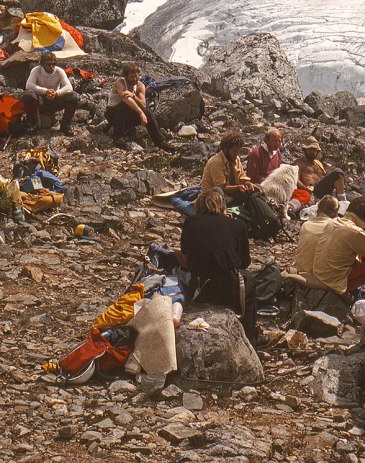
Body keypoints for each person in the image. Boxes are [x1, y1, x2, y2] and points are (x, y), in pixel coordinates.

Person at [180, 189, 256, 344]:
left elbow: (185, 252)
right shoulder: (237, 226)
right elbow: (244, 262)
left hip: (199, 287)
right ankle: (251, 336)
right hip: (228, 287)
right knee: (250, 280)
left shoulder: (190, 223)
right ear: (223, 206)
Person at [311, 195, 365, 296]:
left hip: (319, 274)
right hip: (334, 282)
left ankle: (357, 294)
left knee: (357, 254)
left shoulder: (332, 222)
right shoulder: (354, 231)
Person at [105, 62, 175, 152]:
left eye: (136, 76)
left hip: (126, 117)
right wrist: (141, 113)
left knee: (148, 113)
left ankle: (160, 142)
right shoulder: (120, 83)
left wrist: (134, 96)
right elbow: (126, 99)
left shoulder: (140, 85)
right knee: (124, 104)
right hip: (113, 115)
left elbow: (143, 104)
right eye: (131, 77)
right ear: (126, 77)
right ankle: (117, 137)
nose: (134, 79)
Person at [24, 52, 79, 135]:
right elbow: (29, 85)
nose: (51, 66)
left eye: (53, 64)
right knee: (29, 95)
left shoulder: (59, 71)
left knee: (74, 96)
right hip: (41, 101)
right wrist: (45, 91)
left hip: (55, 100)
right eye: (48, 64)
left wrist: (56, 93)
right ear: (42, 64)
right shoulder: (36, 71)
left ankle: (65, 124)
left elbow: (69, 87)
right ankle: (35, 123)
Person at [201, 131, 260, 202]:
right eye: (235, 151)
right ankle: (222, 211)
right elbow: (221, 187)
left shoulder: (236, 159)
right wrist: (238, 188)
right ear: (226, 149)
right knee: (218, 192)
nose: (237, 154)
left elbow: (241, 178)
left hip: (230, 195)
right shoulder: (216, 162)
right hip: (213, 197)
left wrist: (248, 184)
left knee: (257, 188)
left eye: (238, 151)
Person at [292, 137, 345, 208]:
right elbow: (295, 179)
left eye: (314, 150)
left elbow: (325, 179)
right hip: (313, 190)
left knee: (355, 199)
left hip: (324, 191)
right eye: (309, 149)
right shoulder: (299, 162)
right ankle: (342, 205)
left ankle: (342, 201)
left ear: (317, 151)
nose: (312, 152)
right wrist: (305, 188)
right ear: (305, 149)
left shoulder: (318, 164)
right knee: (337, 172)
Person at [294, 195, 339, 273]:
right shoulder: (335, 227)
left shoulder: (306, 225)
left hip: (300, 268)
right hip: (318, 273)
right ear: (336, 211)